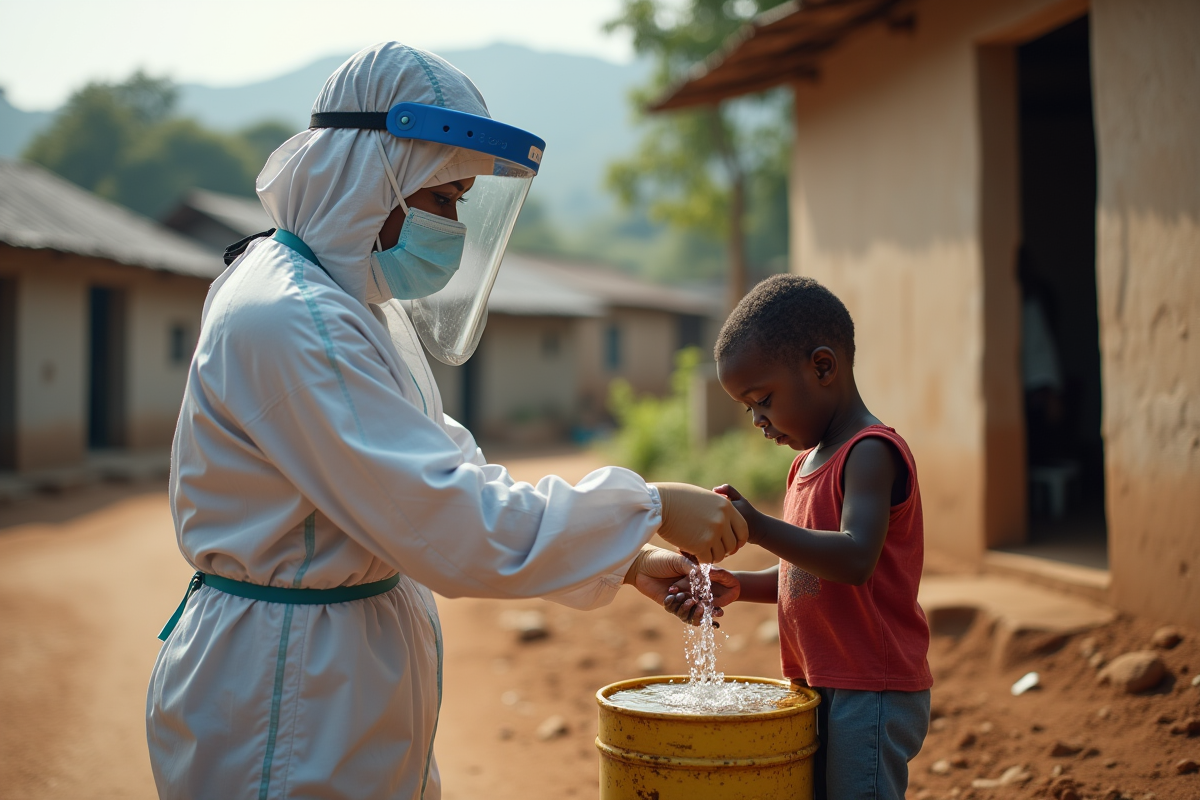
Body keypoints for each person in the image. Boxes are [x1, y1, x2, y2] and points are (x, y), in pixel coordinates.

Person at [147, 42, 746, 800]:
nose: (454, 229)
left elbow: (447, 466)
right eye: (443, 199)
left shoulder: (348, 305)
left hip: (334, 679)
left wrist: (627, 558)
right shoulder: (293, 319)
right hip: (288, 693)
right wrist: (649, 506)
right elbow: (447, 517)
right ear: (372, 179)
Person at [665, 275, 932, 800]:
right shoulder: (805, 465)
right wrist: (739, 584)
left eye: (764, 399)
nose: (759, 421)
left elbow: (855, 559)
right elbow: (810, 573)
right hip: (819, 680)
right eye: (749, 408)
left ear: (823, 367)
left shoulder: (869, 452)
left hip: (870, 687)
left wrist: (760, 527)